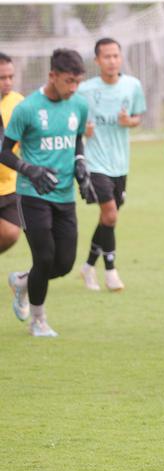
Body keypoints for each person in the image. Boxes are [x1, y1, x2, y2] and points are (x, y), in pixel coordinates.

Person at [3, 49, 93, 336]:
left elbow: (77, 140)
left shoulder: (79, 105)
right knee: (44, 257)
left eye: (78, 82)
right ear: (52, 75)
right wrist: (30, 170)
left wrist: (81, 164)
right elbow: (4, 152)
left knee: (64, 263)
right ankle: (38, 321)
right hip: (32, 193)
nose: (73, 88)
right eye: (69, 81)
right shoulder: (27, 108)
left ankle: (23, 281)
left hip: (64, 195)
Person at [78, 38, 145, 292]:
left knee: (107, 218)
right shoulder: (84, 90)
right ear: (97, 60)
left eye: (116, 56)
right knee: (111, 214)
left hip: (120, 164)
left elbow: (137, 117)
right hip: (95, 163)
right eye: (106, 57)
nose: (112, 61)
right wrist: (82, 129)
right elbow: (73, 121)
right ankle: (111, 272)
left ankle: (88, 266)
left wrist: (130, 122)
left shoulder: (132, 85)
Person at [0, 52, 26, 256]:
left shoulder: (19, 103)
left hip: (9, 184)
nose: (8, 82)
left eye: (11, 77)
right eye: (2, 78)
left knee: (10, 233)